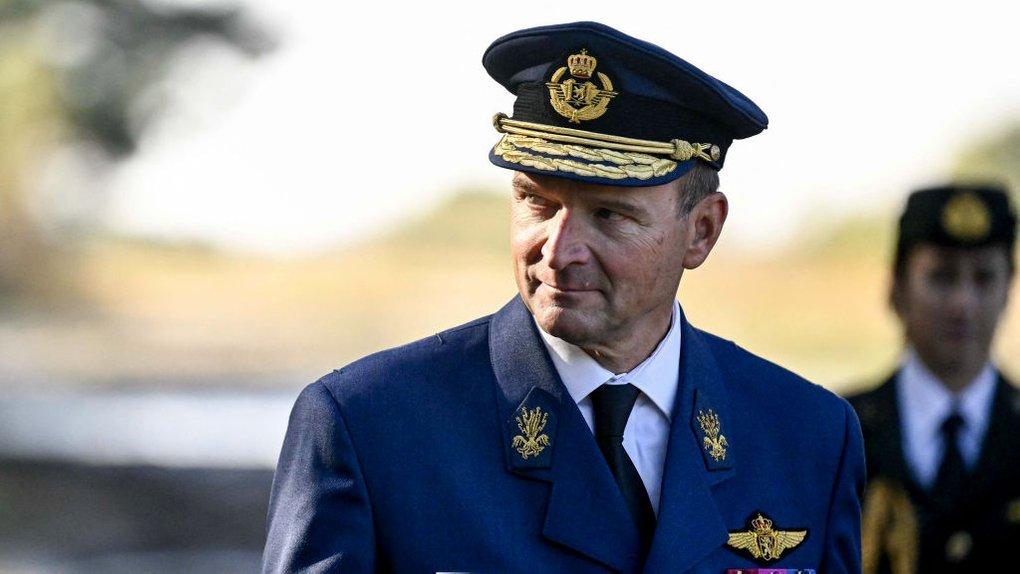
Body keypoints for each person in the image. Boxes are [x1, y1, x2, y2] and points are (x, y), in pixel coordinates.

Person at [263, 21, 864, 573]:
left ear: (701, 230)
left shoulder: (808, 436)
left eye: (609, 215)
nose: (558, 250)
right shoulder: (370, 427)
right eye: (537, 202)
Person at [848, 184, 1020, 573]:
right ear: (896, 289)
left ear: (1008, 290)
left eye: (984, 278)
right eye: (942, 277)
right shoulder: (840, 431)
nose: (962, 303)